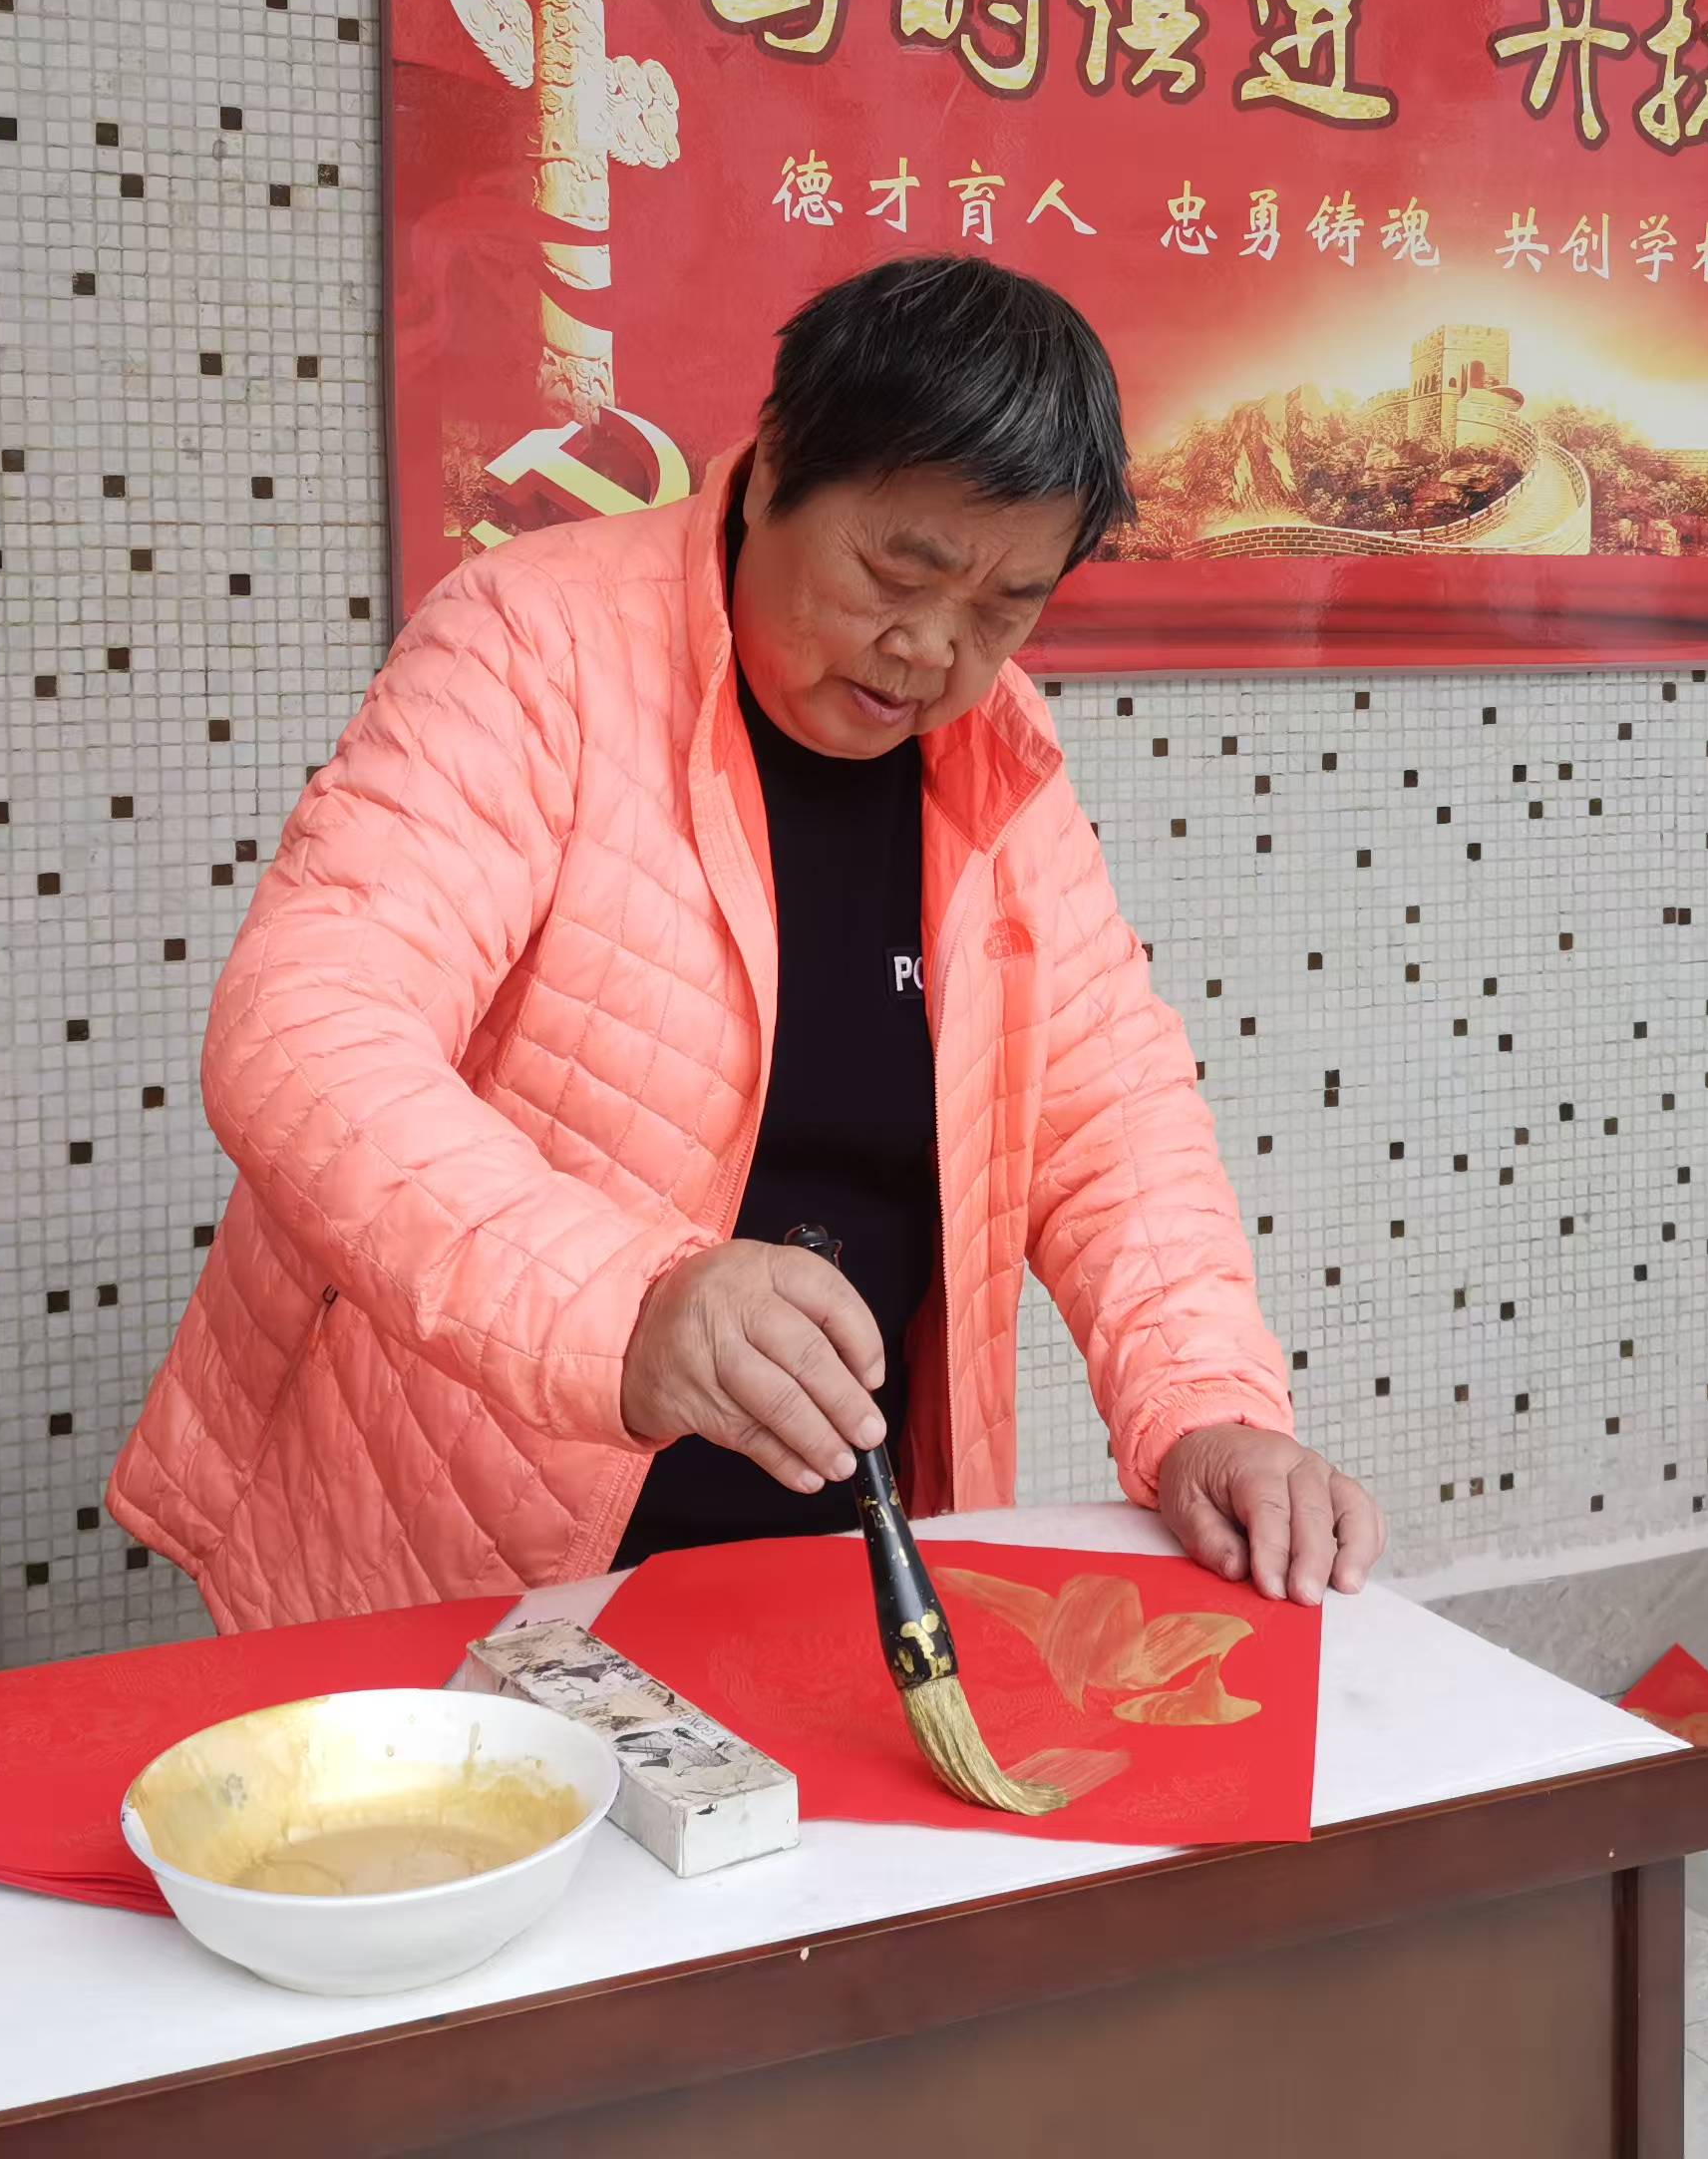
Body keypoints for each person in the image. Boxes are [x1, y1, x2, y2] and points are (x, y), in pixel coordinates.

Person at [111, 254, 1383, 1631]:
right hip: (459, 1542)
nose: (931, 650)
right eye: (897, 572)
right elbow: (306, 1030)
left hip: (837, 1556)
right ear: (775, 463)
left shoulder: (996, 753)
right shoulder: (535, 644)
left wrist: (1207, 1407)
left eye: (1005, 607)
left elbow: (1110, 1118)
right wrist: (630, 1306)